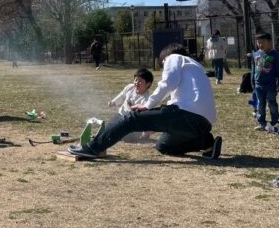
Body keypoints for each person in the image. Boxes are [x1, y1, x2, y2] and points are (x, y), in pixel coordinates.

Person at [68, 43, 221, 160]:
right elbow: (177, 95)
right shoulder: (197, 68)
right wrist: (154, 118)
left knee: (132, 117)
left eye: (162, 65)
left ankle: (93, 148)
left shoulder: (174, 58)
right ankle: (206, 142)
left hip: (186, 114)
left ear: (166, 58)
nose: (163, 68)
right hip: (203, 124)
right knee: (164, 145)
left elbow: (168, 83)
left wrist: (147, 105)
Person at [109, 67, 156, 142]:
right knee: (109, 128)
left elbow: (146, 117)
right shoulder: (130, 87)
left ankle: (139, 136)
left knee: (126, 137)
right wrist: (114, 102)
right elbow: (122, 95)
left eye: (140, 81)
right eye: (136, 80)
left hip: (133, 121)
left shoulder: (147, 99)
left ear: (148, 84)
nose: (137, 82)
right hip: (121, 115)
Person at [252, 32, 279, 135]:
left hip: (270, 84)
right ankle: (261, 122)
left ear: (270, 42)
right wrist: (252, 80)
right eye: (258, 43)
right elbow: (254, 69)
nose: (260, 45)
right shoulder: (256, 54)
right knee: (260, 104)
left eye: (262, 42)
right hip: (258, 84)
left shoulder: (274, 54)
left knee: (272, 103)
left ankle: (275, 122)